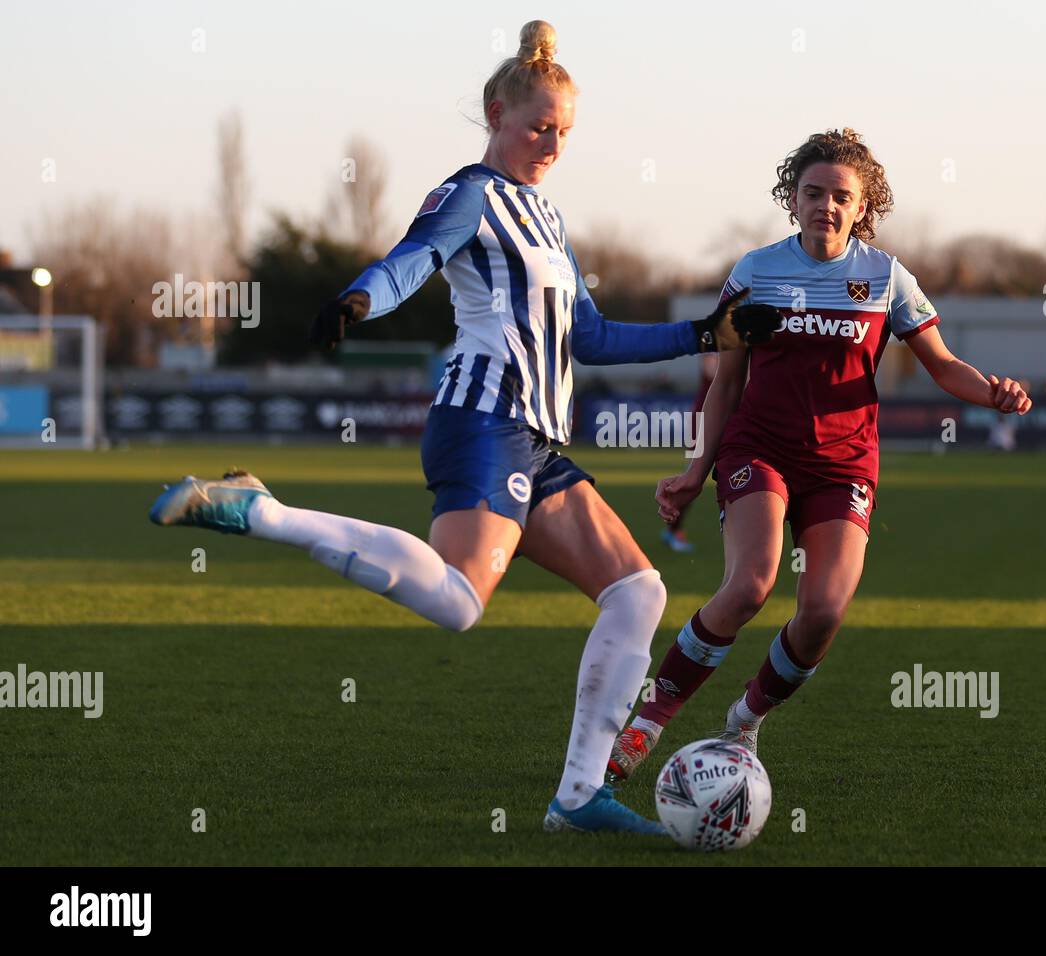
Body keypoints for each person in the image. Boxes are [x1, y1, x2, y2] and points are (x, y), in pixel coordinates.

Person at [148, 20, 780, 835]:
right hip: (482, 419)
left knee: (638, 591)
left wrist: (705, 333)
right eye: (537, 126)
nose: (550, 142)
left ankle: (579, 798)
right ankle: (263, 511)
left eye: (563, 131)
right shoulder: (470, 194)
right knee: (458, 603)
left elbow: (589, 338)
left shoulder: (548, 220)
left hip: (536, 439)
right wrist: (360, 298)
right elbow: (415, 256)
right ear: (495, 112)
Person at [608, 128, 1031, 779]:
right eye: (813, 193)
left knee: (825, 611)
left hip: (845, 465)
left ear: (863, 205)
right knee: (750, 584)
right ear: (792, 198)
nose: (825, 206)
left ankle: (745, 722)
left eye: (840, 196)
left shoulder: (886, 277)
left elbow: (943, 366)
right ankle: (649, 718)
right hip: (762, 448)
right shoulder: (756, 272)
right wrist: (698, 469)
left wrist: (993, 392)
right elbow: (728, 381)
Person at [660, 352, 719, 553]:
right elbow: (710, 371)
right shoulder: (719, 338)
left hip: (731, 417)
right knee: (693, 476)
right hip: (704, 418)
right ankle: (673, 529)